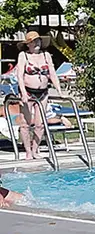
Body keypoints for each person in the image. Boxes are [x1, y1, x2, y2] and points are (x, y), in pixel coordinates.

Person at [15, 31, 63, 160]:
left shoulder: (46, 55)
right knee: (25, 123)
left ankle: (35, 149)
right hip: (28, 92)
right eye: (33, 41)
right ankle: (28, 152)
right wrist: (23, 93)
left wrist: (59, 90)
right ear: (28, 44)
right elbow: (19, 76)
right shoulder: (23, 55)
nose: (36, 43)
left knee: (40, 124)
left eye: (38, 40)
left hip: (43, 93)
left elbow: (52, 73)